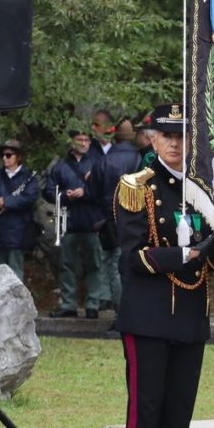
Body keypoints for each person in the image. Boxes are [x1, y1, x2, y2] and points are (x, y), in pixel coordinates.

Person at [113, 103, 214, 428]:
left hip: (191, 313)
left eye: (183, 136)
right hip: (149, 315)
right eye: (167, 136)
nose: (176, 144)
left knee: (179, 411)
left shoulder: (205, 189)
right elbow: (132, 256)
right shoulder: (137, 186)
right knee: (147, 409)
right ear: (152, 139)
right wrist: (187, 255)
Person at [43, 130, 105, 318]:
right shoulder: (60, 167)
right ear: (72, 142)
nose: (84, 143)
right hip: (68, 222)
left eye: (87, 140)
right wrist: (65, 196)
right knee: (66, 265)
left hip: (92, 222)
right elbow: (48, 191)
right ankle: (69, 304)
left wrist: (85, 192)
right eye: (80, 140)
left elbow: (105, 189)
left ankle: (93, 304)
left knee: (94, 265)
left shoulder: (97, 164)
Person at [98, 117, 142, 312]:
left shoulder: (105, 160)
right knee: (128, 264)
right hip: (136, 219)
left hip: (109, 218)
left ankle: (119, 309)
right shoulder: (139, 158)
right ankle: (129, 309)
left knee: (114, 263)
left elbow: (92, 190)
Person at [0, 139, 39, 280]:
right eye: (3, 155)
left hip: (18, 233)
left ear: (18, 157)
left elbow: (29, 198)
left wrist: (6, 201)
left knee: (15, 274)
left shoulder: (29, 177)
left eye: (8, 155)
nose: (4, 158)